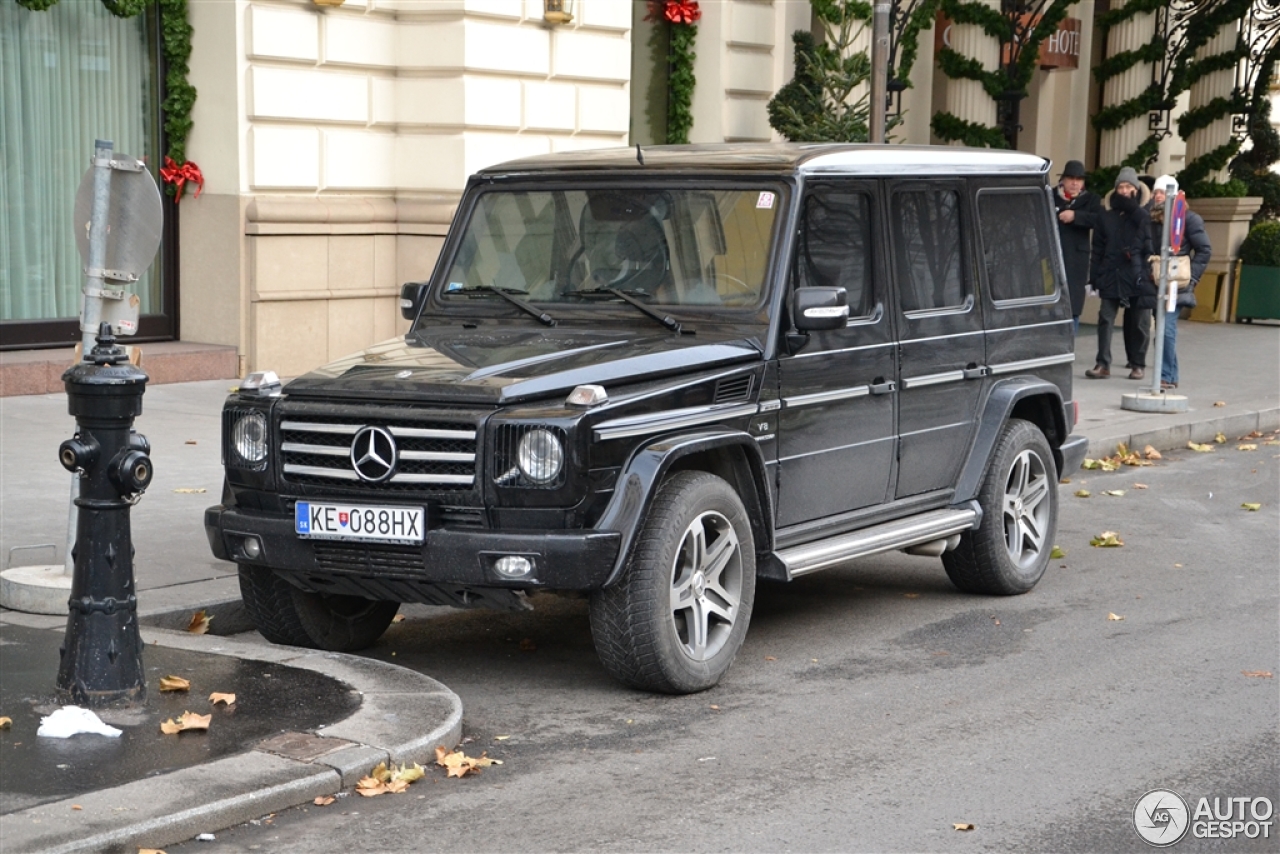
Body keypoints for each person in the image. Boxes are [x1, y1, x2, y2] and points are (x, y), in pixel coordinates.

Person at [1084, 167, 1155, 379]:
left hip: (1137, 274)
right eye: (1120, 187)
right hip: (1111, 273)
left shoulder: (1144, 214)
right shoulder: (1106, 216)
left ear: (1136, 188)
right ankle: (1102, 363)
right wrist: (1094, 276)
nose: (1123, 191)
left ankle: (1137, 364)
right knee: (1105, 318)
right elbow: (1097, 248)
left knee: (1139, 322)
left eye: (1128, 186)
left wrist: (1134, 209)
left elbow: (1150, 242)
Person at [1147, 175, 1211, 390]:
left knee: (1166, 328)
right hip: (1159, 281)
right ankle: (1170, 375)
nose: (1158, 196)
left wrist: (1192, 278)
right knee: (1163, 328)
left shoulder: (1189, 219)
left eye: (1162, 192)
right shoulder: (1152, 219)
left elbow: (1204, 249)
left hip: (1178, 284)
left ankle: (1165, 375)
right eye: (1156, 192)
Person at [1053, 160, 1104, 333]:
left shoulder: (1091, 199)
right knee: (1051, 305)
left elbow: (1098, 220)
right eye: (1071, 178)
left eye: (1079, 179)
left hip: (1076, 260)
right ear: (1063, 180)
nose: (1075, 183)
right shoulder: (1050, 195)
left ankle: (1070, 348)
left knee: (1073, 306)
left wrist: (1076, 216)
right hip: (1052, 257)